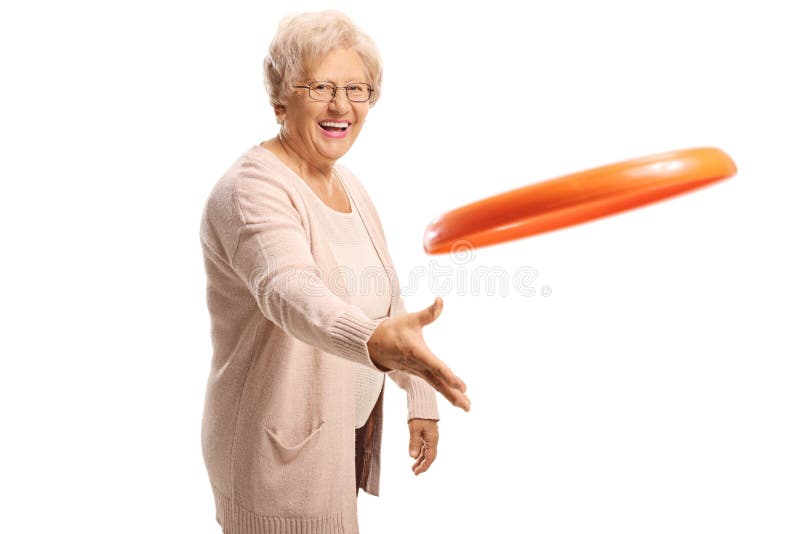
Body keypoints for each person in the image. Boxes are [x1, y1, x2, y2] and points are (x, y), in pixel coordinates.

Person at [199, 10, 470, 534]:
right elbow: (290, 289)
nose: (341, 105)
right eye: (320, 86)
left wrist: (419, 395)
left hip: (331, 439)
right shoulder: (252, 191)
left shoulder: (346, 183)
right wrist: (369, 341)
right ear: (281, 97)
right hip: (274, 459)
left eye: (356, 88)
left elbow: (383, 293)